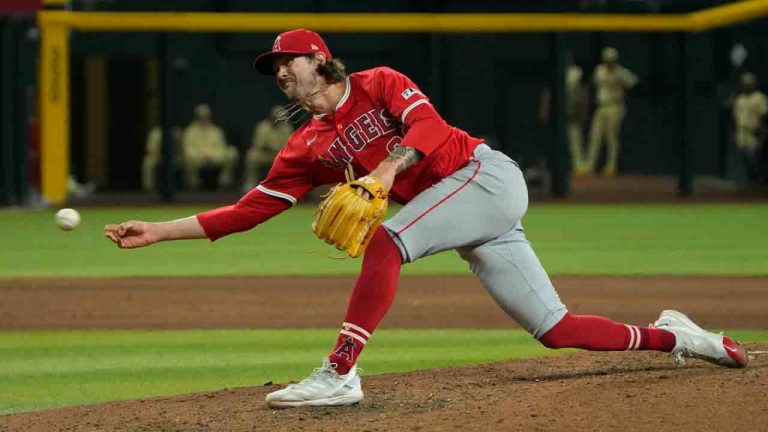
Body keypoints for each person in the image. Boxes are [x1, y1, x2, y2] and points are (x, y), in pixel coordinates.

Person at [105, 29, 747, 409]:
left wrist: (384, 172)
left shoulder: (378, 82)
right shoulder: (303, 144)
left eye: (287, 61)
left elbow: (430, 127)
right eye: (272, 68)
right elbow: (249, 211)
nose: (279, 72)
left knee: (385, 239)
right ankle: (684, 337)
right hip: (470, 214)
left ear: (320, 61)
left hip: (483, 176)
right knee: (555, 329)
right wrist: (159, 231)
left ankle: (339, 373)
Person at [585, 47, 637, 177]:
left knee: (611, 137)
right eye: (607, 60)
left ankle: (611, 166)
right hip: (601, 106)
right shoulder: (600, 70)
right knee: (595, 136)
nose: (609, 62)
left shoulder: (620, 72)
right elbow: (594, 84)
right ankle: (590, 165)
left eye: (611, 60)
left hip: (615, 106)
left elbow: (633, 82)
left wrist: (620, 83)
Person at [181, 104, 239, 190]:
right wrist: (203, 156)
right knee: (187, 158)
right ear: (196, 117)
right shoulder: (190, 131)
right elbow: (188, 150)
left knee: (232, 152)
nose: (204, 119)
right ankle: (193, 185)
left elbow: (221, 148)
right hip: (198, 159)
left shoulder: (216, 130)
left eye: (206, 116)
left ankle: (224, 182)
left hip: (214, 158)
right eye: (201, 117)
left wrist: (211, 156)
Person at [243, 105, 294, 192]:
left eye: (282, 118)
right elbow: (259, 144)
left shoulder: (287, 128)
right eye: (277, 118)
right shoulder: (262, 127)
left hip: (280, 155)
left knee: (295, 158)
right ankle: (250, 183)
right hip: (265, 154)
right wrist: (270, 147)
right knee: (251, 156)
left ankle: (289, 186)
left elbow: (290, 145)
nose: (279, 120)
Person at [732, 72, 768, 183]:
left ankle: (758, 184)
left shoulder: (759, 97)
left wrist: (764, 129)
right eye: (745, 84)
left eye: (749, 83)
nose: (747, 86)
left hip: (754, 132)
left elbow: (764, 115)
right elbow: (735, 118)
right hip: (741, 134)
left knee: (755, 160)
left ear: (754, 84)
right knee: (744, 161)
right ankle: (749, 185)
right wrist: (734, 132)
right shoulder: (739, 99)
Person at [565, 64, 590, 176]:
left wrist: (580, 110)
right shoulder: (557, 70)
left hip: (573, 111)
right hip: (559, 112)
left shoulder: (576, 72)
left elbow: (582, 91)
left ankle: (579, 165)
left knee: (575, 139)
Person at [141, 126, 183, 192]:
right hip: (157, 157)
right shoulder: (155, 133)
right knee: (147, 162)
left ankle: (189, 188)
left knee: (188, 162)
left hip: (175, 158)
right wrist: (158, 155)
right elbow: (149, 148)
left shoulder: (177, 132)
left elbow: (181, 150)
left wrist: (171, 156)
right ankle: (148, 188)